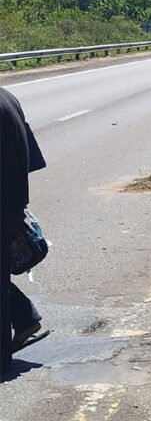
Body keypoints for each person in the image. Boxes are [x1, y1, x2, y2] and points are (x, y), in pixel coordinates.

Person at [0, 87, 47, 353]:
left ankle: (3, 355)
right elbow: (33, 158)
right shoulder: (7, 96)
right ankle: (24, 318)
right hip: (12, 200)